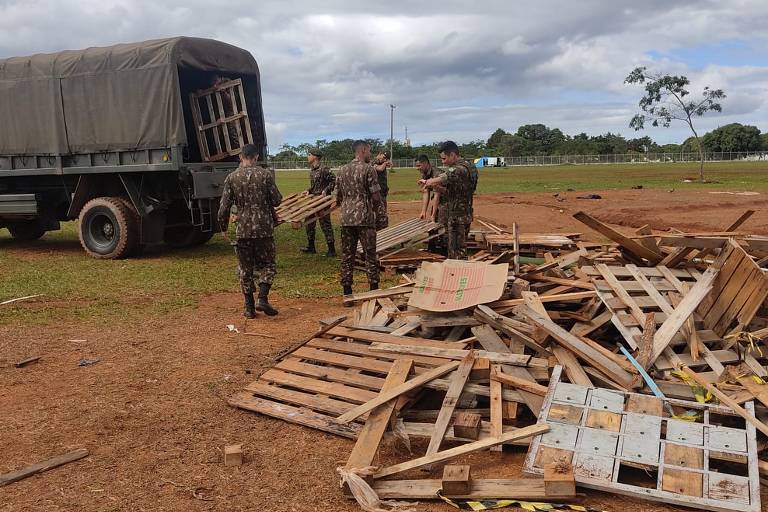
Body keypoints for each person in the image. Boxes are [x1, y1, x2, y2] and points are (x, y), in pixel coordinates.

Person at [218, 144, 283, 318]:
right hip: (264, 229)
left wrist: (223, 227)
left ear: (241, 157)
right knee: (268, 265)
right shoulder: (265, 175)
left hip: (243, 229)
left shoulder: (232, 178)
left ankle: (249, 308)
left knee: (245, 269)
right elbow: (277, 200)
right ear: (256, 157)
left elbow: (223, 207)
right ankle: (262, 298)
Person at [336, 140, 382, 300]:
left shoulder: (342, 170)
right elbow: (376, 195)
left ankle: (347, 293)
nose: (370, 154)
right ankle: (373, 290)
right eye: (369, 151)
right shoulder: (368, 169)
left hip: (346, 218)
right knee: (370, 254)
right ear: (362, 150)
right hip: (364, 218)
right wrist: (379, 213)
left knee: (347, 255)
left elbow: (338, 196)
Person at [418, 141, 476, 260]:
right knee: (457, 249)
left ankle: (458, 275)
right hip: (464, 214)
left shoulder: (460, 168)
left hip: (457, 217)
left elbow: (445, 176)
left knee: (456, 253)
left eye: (444, 158)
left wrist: (428, 182)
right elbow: (451, 192)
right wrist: (436, 187)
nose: (442, 162)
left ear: (453, 155)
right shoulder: (470, 166)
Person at [300, 147, 336, 256]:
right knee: (309, 222)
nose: (308, 157)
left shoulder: (324, 169)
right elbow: (314, 187)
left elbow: (333, 181)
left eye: (309, 154)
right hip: (313, 199)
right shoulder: (313, 170)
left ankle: (331, 250)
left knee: (325, 224)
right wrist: (308, 191)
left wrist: (326, 190)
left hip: (323, 201)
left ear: (315, 156)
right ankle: (311, 247)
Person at [415, 155, 445, 254]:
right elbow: (426, 192)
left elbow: (437, 194)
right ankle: (431, 248)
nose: (417, 168)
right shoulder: (425, 174)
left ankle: (442, 249)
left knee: (439, 221)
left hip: (446, 200)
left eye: (419, 166)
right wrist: (423, 212)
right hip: (438, 199)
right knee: (432, 224)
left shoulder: (437, 173)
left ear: (426, 163)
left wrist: (432, 214)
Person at [372, 150, 392, 230]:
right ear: (379, 154)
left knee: (382, 213)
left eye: (385, 159)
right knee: (380, 214)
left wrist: (386, 163)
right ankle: (381, 231)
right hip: (376, 193)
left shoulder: (381, 163)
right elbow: (379, 169)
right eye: (383, 157)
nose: (384, 159)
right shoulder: (373, 162)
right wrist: (385, 163)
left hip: (382, 193)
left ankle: (381, 231)